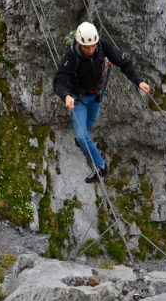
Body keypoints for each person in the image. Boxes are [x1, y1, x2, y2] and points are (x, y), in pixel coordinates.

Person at [53, 22, 150, 183]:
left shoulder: (102, 47)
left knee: (85, 131)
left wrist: (138, 81)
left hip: (95, 96)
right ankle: (101, 166)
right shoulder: (71, 56)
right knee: (82, 137)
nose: (91, 50)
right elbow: (59, 80)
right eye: (86, 47)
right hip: (79, 100)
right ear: (78, 43)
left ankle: (83, 143)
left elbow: (123, 63)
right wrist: (66, 96)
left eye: (92, 46)